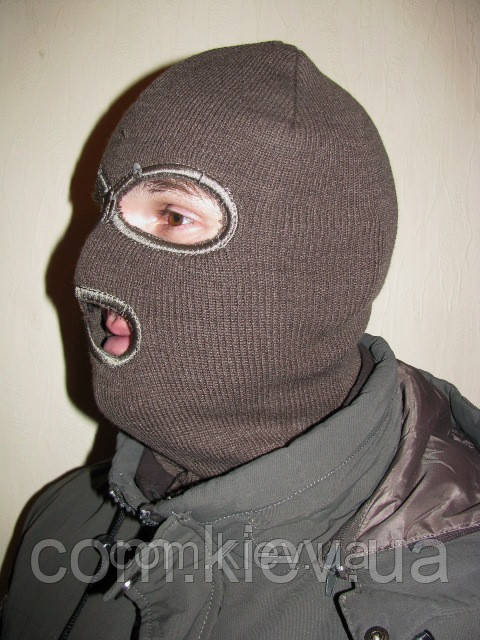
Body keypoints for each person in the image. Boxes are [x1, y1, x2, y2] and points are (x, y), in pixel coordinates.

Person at [1, 41, 479, 640]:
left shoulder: (454, 597)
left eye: (173, 216)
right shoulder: (59, 525)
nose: (92, 266)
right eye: (108, 209)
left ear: (316, 269)